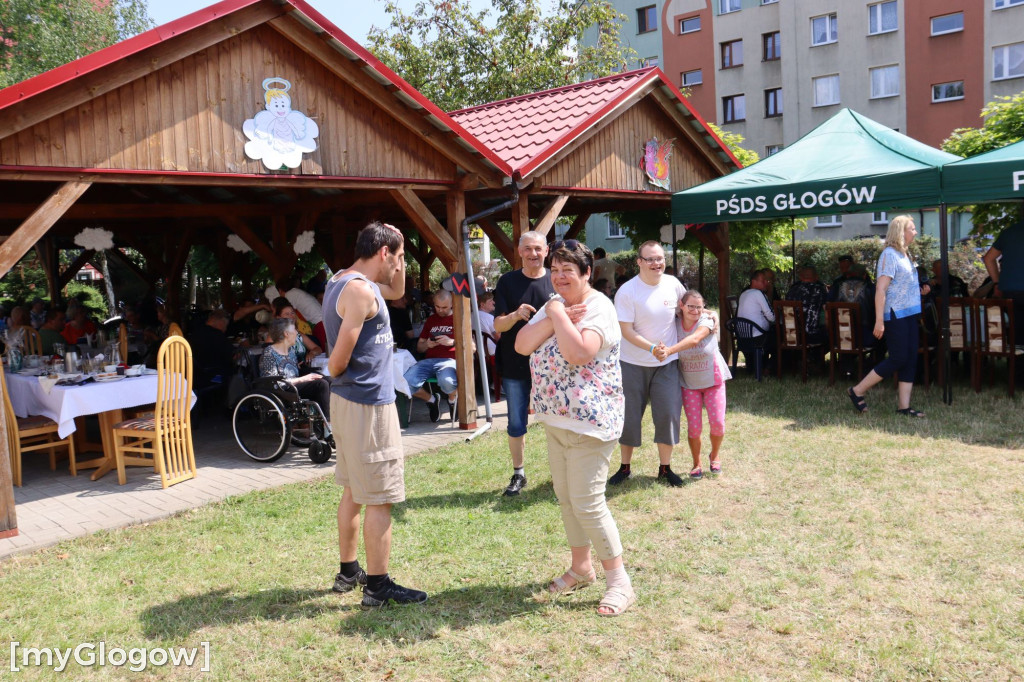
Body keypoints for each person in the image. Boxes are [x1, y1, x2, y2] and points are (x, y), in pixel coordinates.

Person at [514, 240, 635, 617]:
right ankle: (581, 567)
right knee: (567, 498)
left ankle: (620, 583)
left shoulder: (599, 307)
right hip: (556, 419)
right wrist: (554, 313)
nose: (560, 276)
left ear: (587, 273)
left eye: (569, 269)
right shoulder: (556, 304)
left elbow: (579, 352)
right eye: (555, 269)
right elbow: (521, 343)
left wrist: (558, 316)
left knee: (587, 501)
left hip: (591, 423)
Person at [324, 221, 426, 608]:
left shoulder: (344, 280)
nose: (400, 265)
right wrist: (331, 373)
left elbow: (397, 292)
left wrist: (398, 252)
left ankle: (349, 571)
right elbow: (338, 361)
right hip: (367, 404)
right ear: (383, 253)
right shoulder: (360, 292)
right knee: (380, 497)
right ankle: (378, 587)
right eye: (398, 258)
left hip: (353, 404)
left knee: (354, 489)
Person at [608, 240, 686, 487]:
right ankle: (625, 467)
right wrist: (652, 349)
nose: (656, 263)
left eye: (660, 258)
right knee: (629, 416)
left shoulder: (674, 285)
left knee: (668, 414)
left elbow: (689, 310)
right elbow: (626, 331)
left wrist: (709, 316)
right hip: (632, 363)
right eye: (650, 259)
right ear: (639, 262)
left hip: (667, 364)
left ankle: (665, 469)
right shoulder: (628, 291)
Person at [492, 231, 556, 496]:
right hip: (515, 362)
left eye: (538, 249)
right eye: (528, 249)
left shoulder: (558, 279)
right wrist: (516, 315)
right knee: (517, 422)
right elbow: (497, 325)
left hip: (553, 366)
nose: (533, 254)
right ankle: (519, 473)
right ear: (519, 252)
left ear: (546, 251)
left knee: (557, 421)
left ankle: (560, 474)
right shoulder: (507, 282)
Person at [848, 215, 931, 417]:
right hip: (895, 315)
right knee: (899, 358)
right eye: (912, 228)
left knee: (910, 358)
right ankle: (857, 390)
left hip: (910, 313)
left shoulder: (905, 254)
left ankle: (904, 407)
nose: (915, 232)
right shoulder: (889, 255)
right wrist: (879, 320)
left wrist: (919, 291)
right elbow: (881, 290)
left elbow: (901, 286)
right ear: (901, 232)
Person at [658, 290, 732, 478]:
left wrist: (669, 350)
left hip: (713, 379)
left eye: (699, 307)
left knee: (718, 423)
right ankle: (696, 462)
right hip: (689, 383)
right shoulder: (674, 324)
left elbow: (695, 339)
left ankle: (714, 456)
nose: (695, 311)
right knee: (694, 427)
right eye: (690, 306)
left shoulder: (706, 322)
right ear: (681, 306)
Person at [403, 289, 471, 423]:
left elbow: (472, 347)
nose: (440, 310)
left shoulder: (458, 318)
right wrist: (427, 344)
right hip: (429, 361)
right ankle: (432, 400)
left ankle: (452, 401)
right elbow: (419, 347)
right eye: (437, 307)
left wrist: (452, 342)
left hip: (450, 360)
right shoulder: (431, 320)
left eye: (444, 307)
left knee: (446, 382)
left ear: (452, 304)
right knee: (405, 383)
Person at [260, 317, 332, 424]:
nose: (297, 333)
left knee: (328, 379)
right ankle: (328, 424)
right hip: (283, 389)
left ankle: (331, 417)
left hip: (295, 385)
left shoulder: (290, 351)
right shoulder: (269, 353)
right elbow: (273, 382)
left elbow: (296, 372)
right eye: (294, 330)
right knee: (321, 384)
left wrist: (310, 374)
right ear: (286, 334)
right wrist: (303, 379)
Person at [982, 219, 1024, 339]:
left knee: (1017, 333)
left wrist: (996, 283)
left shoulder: (1009, 232)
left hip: (1011, 291)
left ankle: (1018, 356)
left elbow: (988, 258)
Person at [188, 309, 237, 389]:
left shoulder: (194, 333)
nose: (225, 329)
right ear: (221, 322)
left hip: (196, 377)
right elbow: (233, 356)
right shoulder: (217, 335)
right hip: (215, 377)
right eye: (226, 326)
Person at [785, 266, 828, 344]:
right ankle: (814, 356)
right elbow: (827, 312)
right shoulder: (820, 290)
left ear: (800, 277)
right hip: (812, 335)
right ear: (816, 277)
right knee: (830, 336)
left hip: (790, 335)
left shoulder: (792, 290)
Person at [473, 291, 498, 356]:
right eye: (490, 301)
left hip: (476, 353)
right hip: (491, 354)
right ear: (482, 304)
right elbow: (498, 337)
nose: (494, 302)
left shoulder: (470, 315)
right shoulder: (489, 317)